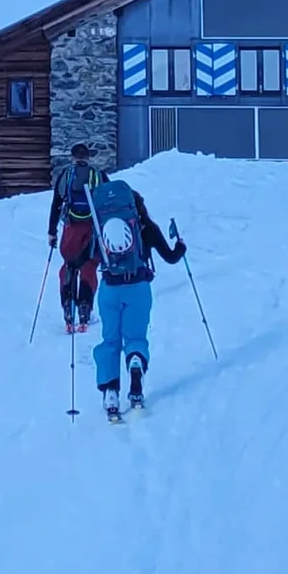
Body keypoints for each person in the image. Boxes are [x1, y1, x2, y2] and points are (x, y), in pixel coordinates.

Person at [88, 174, 185, 416]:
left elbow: (88, 257)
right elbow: (171, 258)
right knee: (136, 337)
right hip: (139, 288)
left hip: (109, 289)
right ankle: (135, 363)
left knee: (110, 340)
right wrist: (181, 246)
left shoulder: (101, 228)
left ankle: (110, 392)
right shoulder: (148, 228)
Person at [46, 143, 102, 335]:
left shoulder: (66, 175)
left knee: (68, 266)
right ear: (88, 157)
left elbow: (56, 203)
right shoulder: (97, 174)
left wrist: (51, 231)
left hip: (70, 229)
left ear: (72, 157)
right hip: (91, 230)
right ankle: (85, 310)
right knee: (89, 266)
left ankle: (68, 309)